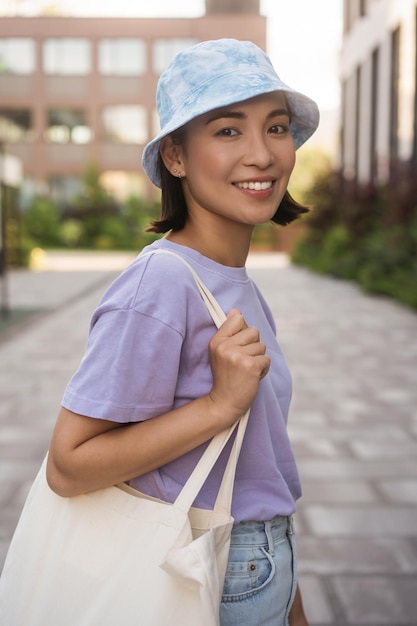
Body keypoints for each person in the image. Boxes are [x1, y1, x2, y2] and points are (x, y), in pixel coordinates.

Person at [46, 38, 319, 625]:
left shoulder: (231, 279)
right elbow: (67, 466)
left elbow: (259, 469)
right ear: (175, 156)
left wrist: (291, 599)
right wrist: (218, 405)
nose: (262, 154)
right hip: (204, 569)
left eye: (276, 128)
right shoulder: (161, 285)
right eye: (227, 131)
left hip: (261, 557)